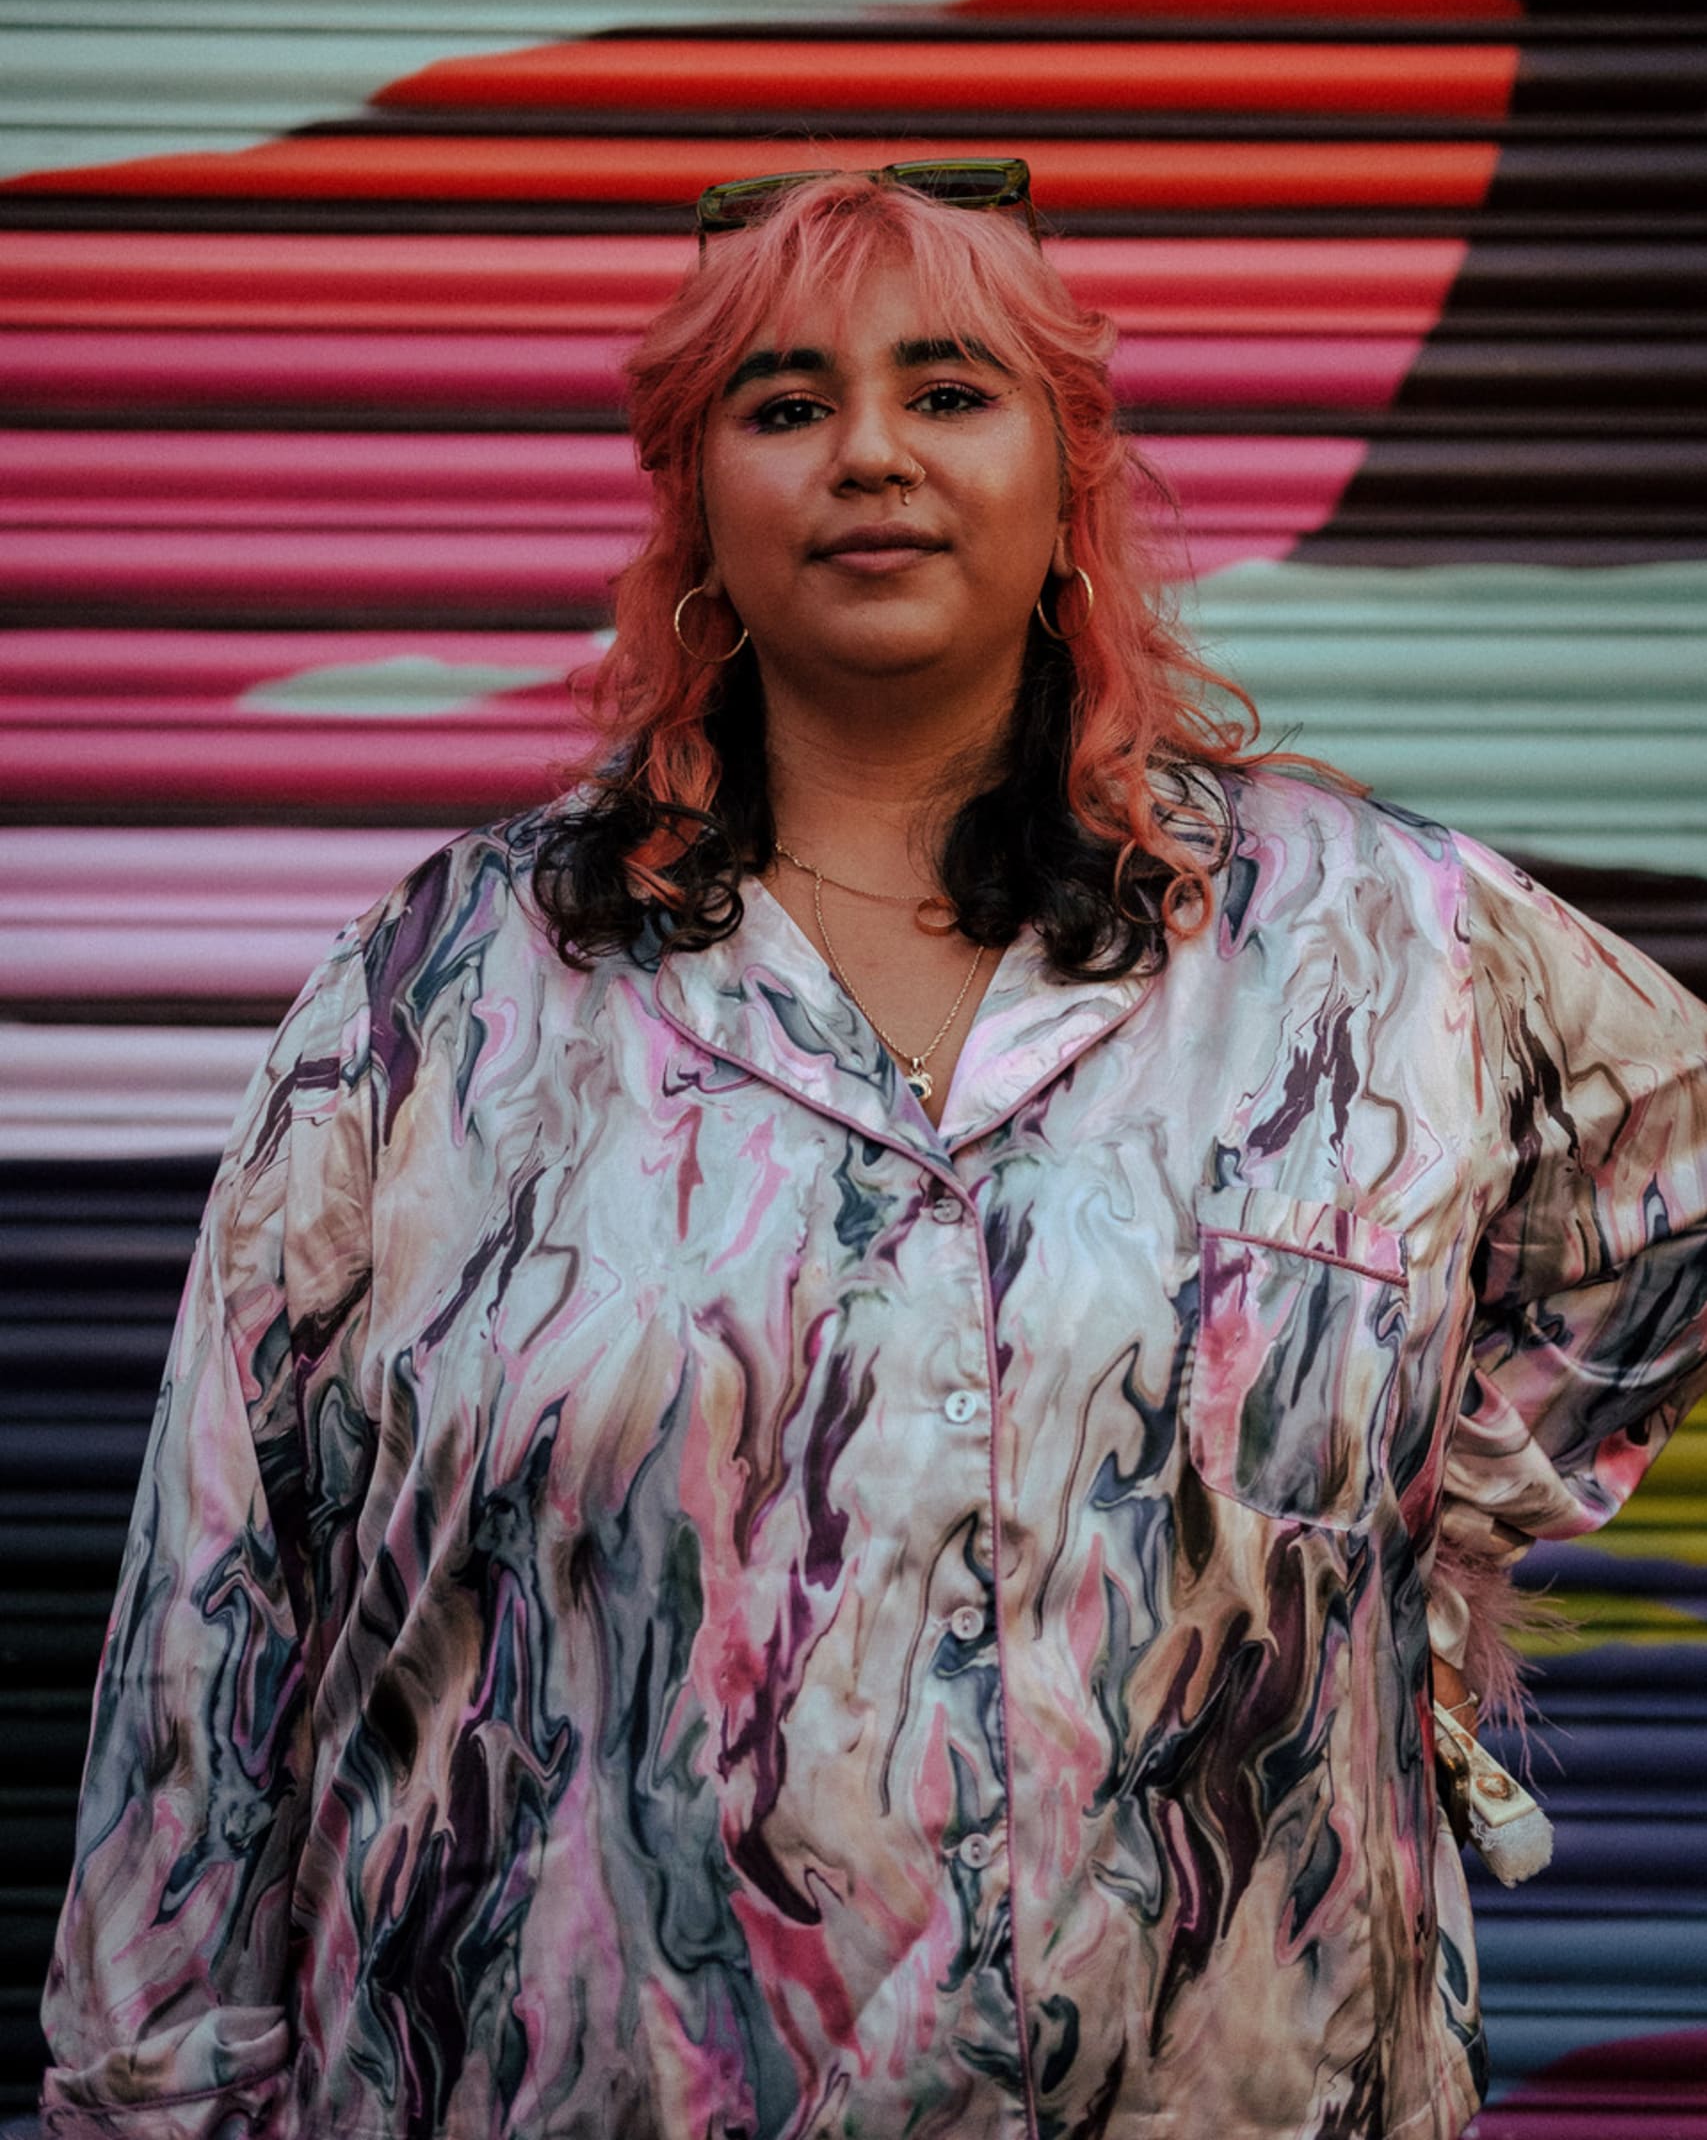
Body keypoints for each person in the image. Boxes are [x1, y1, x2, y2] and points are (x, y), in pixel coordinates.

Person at [40, 165, 1707, 2140]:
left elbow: (1662, 1171)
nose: (867, 455)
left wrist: (1387, 1509)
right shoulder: (444, 993)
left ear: (1065, 473)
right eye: (780, 400)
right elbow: (221, 1616)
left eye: (946, 387)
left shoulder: (1362, 937)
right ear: (693, 499)